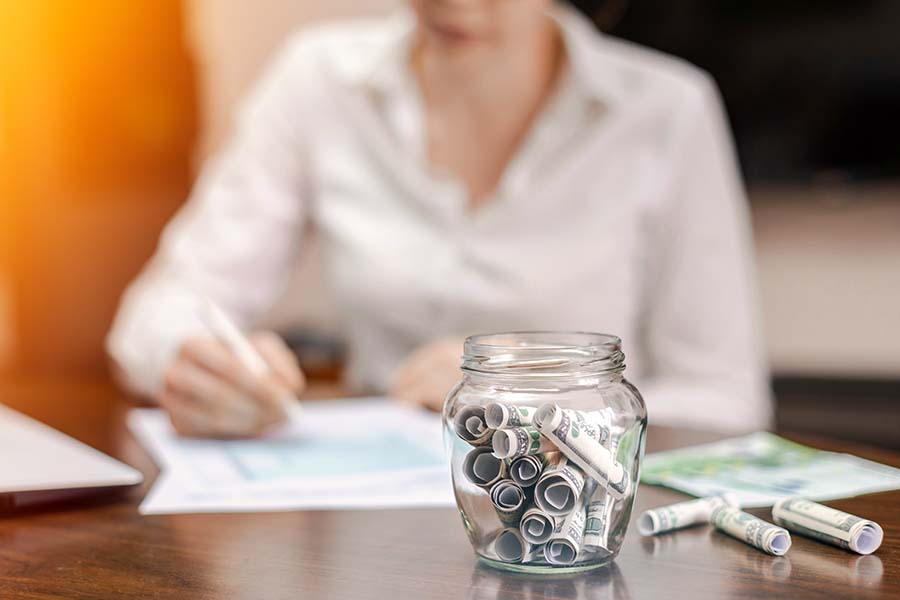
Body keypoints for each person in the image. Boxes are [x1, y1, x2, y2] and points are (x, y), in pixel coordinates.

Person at [107, 0, 770, 437]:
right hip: (367, 523)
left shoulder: (667, 110)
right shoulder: (319, 78)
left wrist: (531, 397)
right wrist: (197, 366)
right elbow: (154, 316)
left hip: (569, 518)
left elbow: (725, 401)